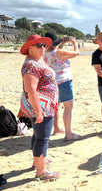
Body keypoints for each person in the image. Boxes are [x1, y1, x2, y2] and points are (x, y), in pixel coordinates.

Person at [20, 34, 59, 180]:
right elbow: (30, 89)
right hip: (41, 107)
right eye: (39, 45)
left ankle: (38, 162)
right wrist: (39, 111)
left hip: (44, 105)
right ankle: (41, 171)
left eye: (44, 44)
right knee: (42, 138)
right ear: (30, 49)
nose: (43, 47)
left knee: (38, 135)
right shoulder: (31, 64)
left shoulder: (36, 61)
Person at [43, 32, 81, 140]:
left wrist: (61, 45)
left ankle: (56, 128)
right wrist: (75, 43)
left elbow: (56, 52)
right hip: (64, 81)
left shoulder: (45, 52)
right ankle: (69, 133)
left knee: (56, 106)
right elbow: (76, 53)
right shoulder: (59, 52)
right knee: (68, 107)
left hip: (52, 82)